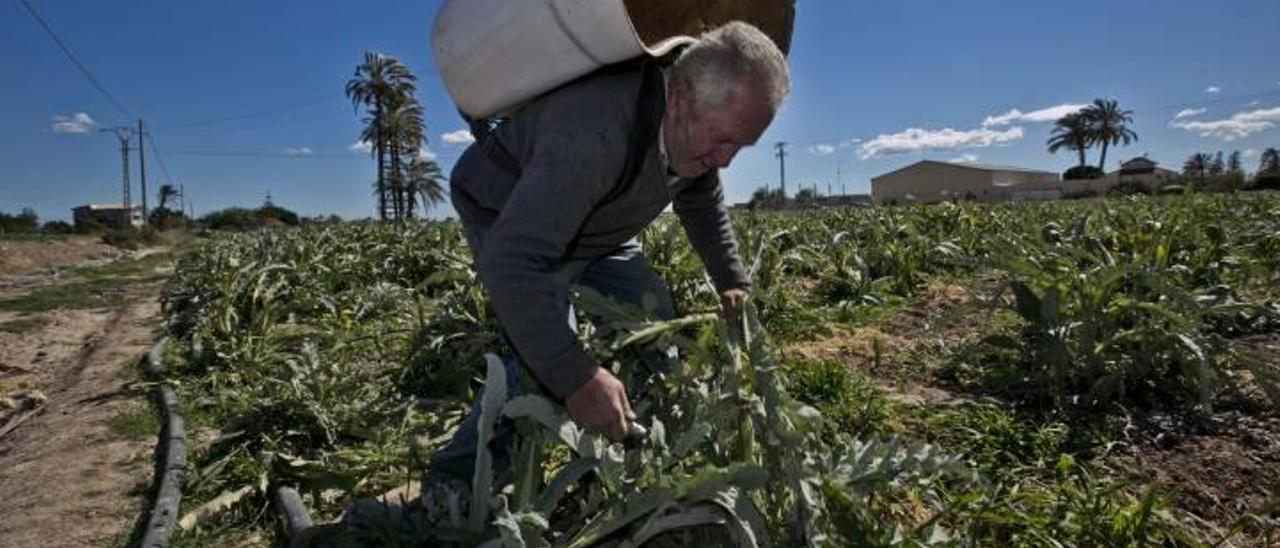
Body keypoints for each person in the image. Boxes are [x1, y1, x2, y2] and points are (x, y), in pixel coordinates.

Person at [424, 20, 790, 510]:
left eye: (738, 148)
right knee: (536, 362)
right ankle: (455, 484)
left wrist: (732, 281)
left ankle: (640, 419)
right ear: (678, 96)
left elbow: (702, 203)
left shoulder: (694, 137)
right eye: (723, 141)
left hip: (594, 225)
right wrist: (575, 376)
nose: (724, 160)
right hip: (512, 215)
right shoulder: (591, 132)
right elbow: (515, 261)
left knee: (650, 308)